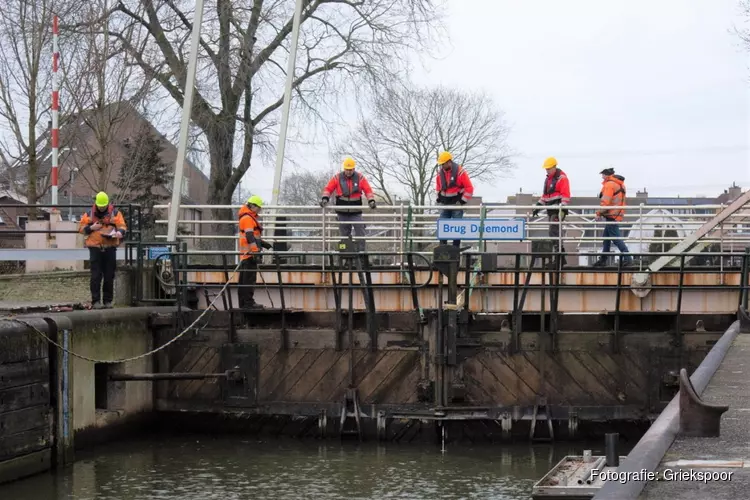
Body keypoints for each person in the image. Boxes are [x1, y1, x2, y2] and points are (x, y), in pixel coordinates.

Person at [78, 191, 127, 309]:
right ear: (96, 204)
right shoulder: (89, 214)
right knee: (95, 275)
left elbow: (122, 226)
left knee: (109, 275)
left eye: (103, 206)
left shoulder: (115, 213)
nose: (102, 208)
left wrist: (120, 233)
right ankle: (96, 301)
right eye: (100, 206)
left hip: (110, 247)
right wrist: (91, 227)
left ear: (107, 204)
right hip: (95, 248)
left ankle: (107, 301)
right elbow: (81, 229)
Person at [320, 157, 376, 249]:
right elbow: (328, 189)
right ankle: (346, 255)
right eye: (347, 169)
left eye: (350, 170)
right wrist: (325, 198)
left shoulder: (360, 178)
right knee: (344, 235)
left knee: (360, 231)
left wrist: (371, 200)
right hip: (342, 212)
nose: (349, 172)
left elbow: (368, 189)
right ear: (344, 168)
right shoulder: (337, 178)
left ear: (354, 169)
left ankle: (361, 254)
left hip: (356, 212)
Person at [532, 157, 571, 265]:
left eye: (549, 168)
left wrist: (562, 209)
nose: (547, 170)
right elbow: (546, 195)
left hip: (558, 209)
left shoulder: (562, 178)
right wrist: (538, 205)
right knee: (554, 233)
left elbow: (565, 195)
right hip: (551, 209)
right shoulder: (548, 179)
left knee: (554, 232)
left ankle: (559, 258)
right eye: (546, 169)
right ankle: (560, 258)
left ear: (554, 167)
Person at [238, 195, 273, 310]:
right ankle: (248, 303)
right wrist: (255, 252)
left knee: (244, 281)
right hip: (249, 255)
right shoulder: (248, 218)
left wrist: (263, 244)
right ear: (252, 206)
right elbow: (249, 236)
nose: (259, 210)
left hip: (246, 255)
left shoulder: (246, 217)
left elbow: (252, 236)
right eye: (258, 207)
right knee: (249, 280)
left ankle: (243, 303)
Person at [594, 168, 632, 266]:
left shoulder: (609, 185)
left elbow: (606, 202)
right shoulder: (620, 184)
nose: (602, 177)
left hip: (611, 215)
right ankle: (603, 259)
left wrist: (598, 213)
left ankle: (628, 258)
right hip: (616, 214)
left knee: (615, 238)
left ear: (607, 175)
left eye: (603, 175)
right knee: (606, 238)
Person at [435, 151, 474, 247]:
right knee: (443, 226)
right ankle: (443, 247)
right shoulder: (440, 175)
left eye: (443, 164)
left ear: (449, 162)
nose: (442, 166)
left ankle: (455, 247)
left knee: (457, 226)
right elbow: (438, 187)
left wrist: (462, 201)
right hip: (445, 204)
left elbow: (469, 188)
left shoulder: (460, 172)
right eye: (441, 164)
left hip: (456, 203)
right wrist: (438, 198)